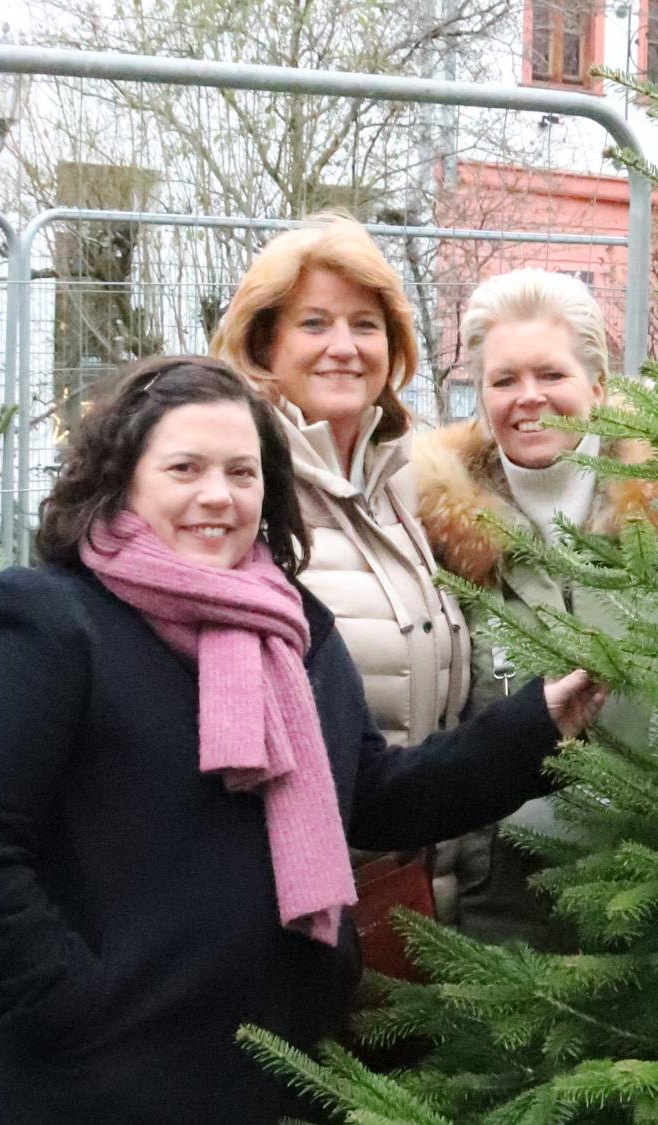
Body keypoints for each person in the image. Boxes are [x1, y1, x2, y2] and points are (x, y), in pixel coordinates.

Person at [0, 356, 604, 1124]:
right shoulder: (47, 620)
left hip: (239, 1073)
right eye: (184, 468)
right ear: (121, 478)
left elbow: (372, 795)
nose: (217, 496)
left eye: (242, 472)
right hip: (58, 1084)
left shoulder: (293, 632)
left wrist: (533, 727)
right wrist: (76, 1014)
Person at [413, 268, 658, 947]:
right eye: (504, 380)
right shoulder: (431, 532)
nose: (528, 397)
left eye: (552, 375)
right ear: (479, 396)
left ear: (597, 386)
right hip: (500, 916)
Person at [211, 215, 474, 922]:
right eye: (315, 323)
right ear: (264, 341)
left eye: (365, 324)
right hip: (293, 908)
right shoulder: (239, 493)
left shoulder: (410, 487)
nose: (343, 347)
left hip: (417, 895)